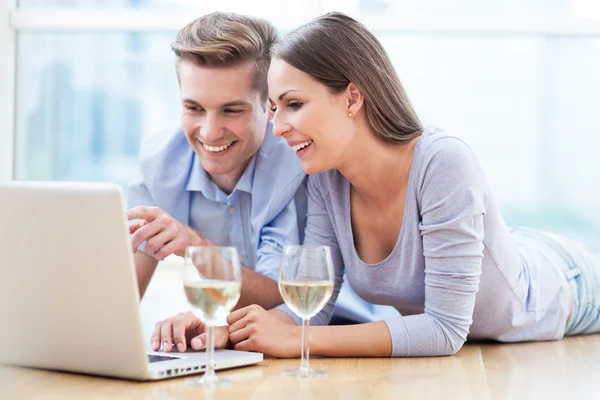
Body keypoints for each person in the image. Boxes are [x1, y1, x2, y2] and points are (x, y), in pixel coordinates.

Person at [223, 12, 600, 358]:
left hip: (569, 288)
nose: (277, 127)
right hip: (508, 258)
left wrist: (298, 340)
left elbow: (444, 329)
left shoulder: (443, 163)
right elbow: (311, 309)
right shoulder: (326, 177)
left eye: (294, 104)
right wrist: (225, 333)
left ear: (352, 97)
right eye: (274, 107)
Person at [127, 12, 396, 354]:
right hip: (246, 341)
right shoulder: (159, 166)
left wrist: (193, 245)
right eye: (194, 108)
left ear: (270, 107)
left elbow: (286, 297)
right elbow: (118, 297)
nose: (209, 132)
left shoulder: (300, 164)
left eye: (231, 111)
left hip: (342, 337)